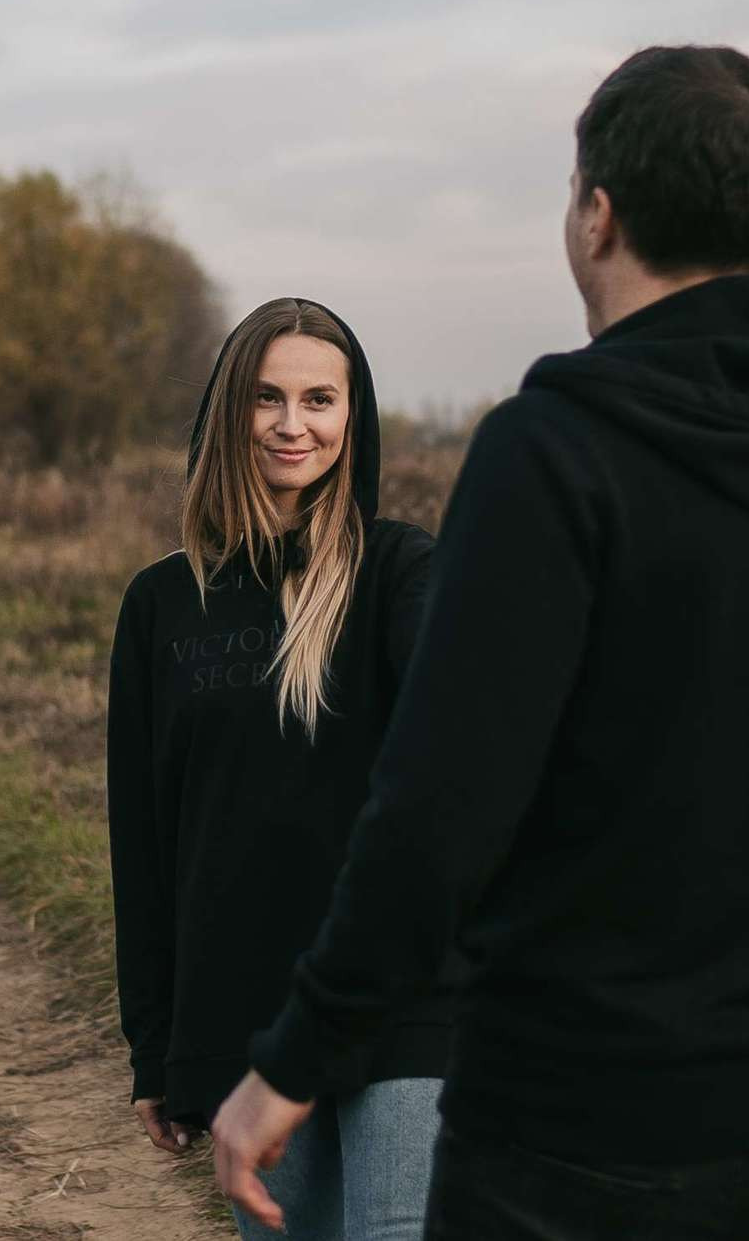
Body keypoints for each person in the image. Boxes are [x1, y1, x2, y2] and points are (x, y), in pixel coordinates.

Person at [213, 46, 749, 1240]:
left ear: (596, 215)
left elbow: (438, 808)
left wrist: (295, 1057)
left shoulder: (550, 456)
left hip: (582, 1124)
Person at [107, 297, 452, 1239]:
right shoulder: (163, 605)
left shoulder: (400, 571)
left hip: (399, 1001)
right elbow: (144, 844)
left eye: (319, 399)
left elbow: (464, 725)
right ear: (229, 410)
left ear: (354, 415)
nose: (293, 424)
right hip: (243, 1012)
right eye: (267, 397)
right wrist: (155, 1047)